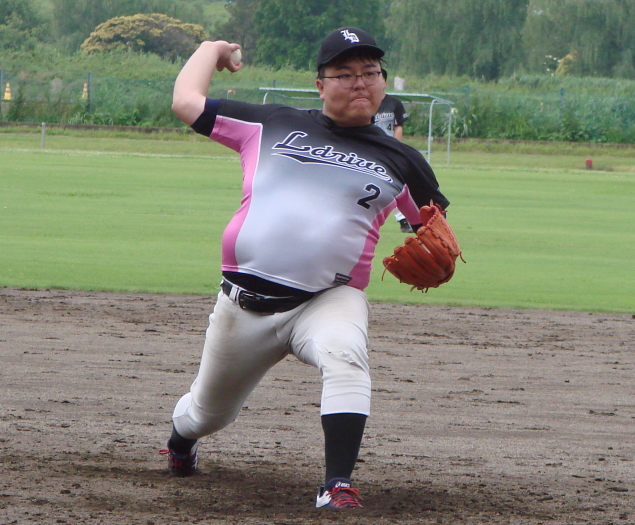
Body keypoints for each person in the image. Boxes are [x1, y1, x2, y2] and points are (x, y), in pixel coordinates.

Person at [161, 26, 450, 509]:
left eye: (370, 72)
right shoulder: (272, 123)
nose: (360, 83)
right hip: (245, 306)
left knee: (346, 356)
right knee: (207, 415)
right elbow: (186, 102)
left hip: (328, 298)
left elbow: (433, 229)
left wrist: (440, 261)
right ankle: (181, 442)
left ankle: (336, 486)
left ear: (382, 82)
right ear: (320, 85)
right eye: (345, 74)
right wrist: (212, 50)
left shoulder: (404, 161)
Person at [372, 69, 413, 233]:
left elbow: (399, 126)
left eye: (379, 78)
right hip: (371, 150)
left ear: (385, 83)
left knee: (395, 184)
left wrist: (395, 146)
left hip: (389, 149)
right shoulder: (366, 102)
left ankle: (404, 219)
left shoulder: (393, 103)